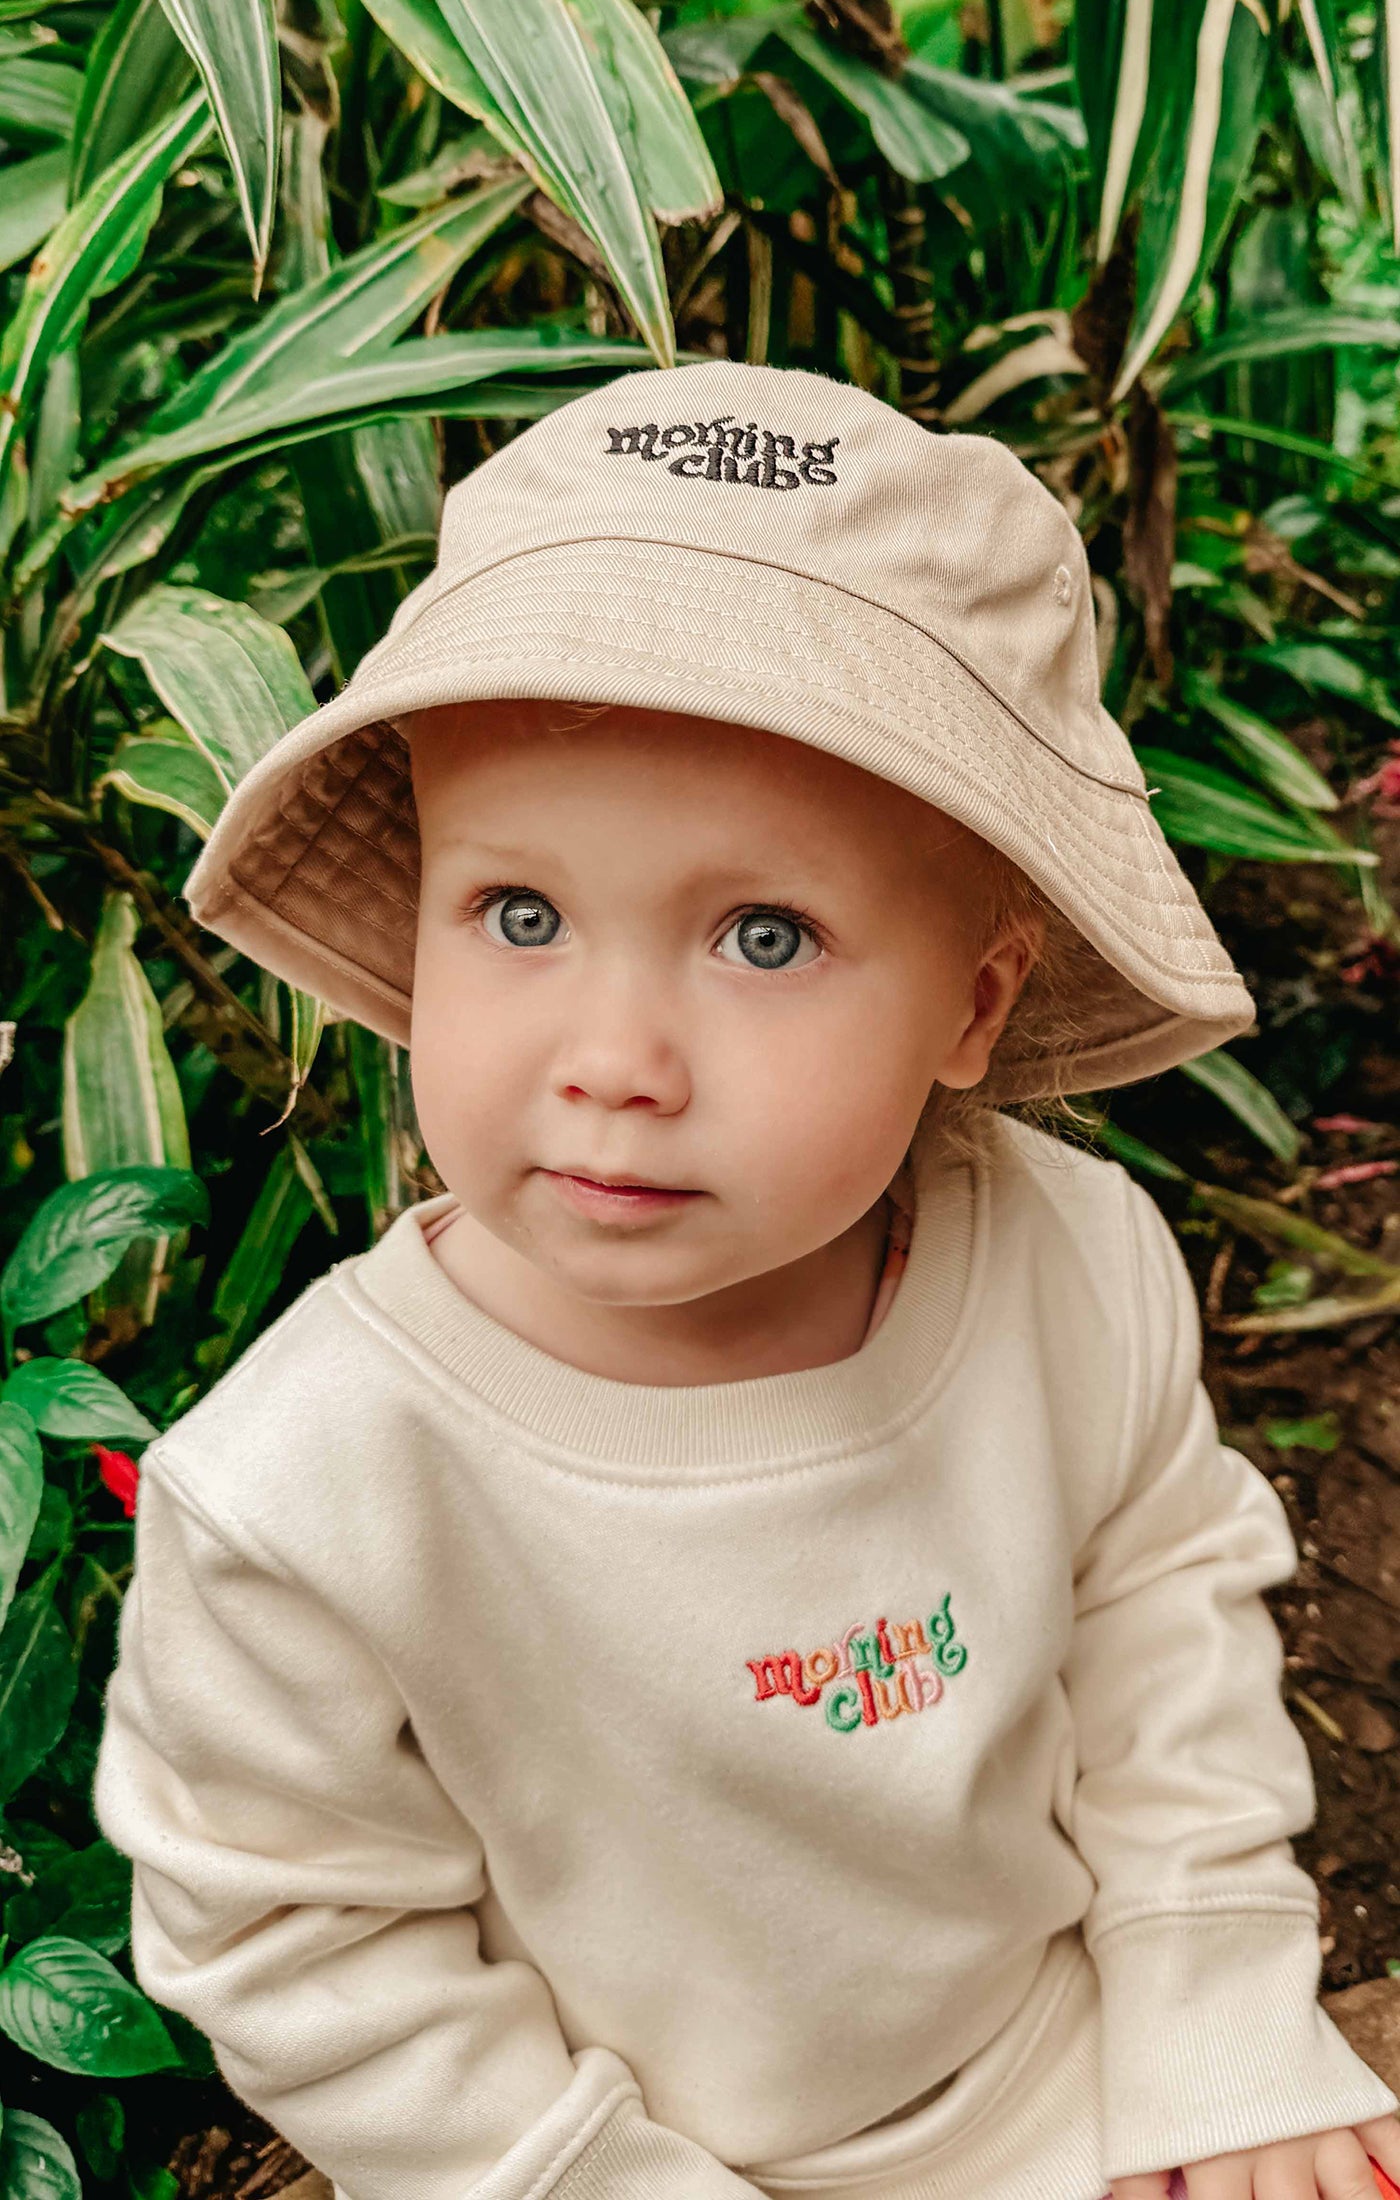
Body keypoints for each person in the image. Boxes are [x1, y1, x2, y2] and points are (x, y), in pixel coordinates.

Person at [93, 361, 1400, 2200]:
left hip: (1060, 2078)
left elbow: (1157, 1621)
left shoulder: (1068, 1269)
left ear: (975, 1003)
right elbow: (298, 1943)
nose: (613, 1056)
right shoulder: (314, 1490)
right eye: (520, 916)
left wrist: (1210, 2009)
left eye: (764, 935)